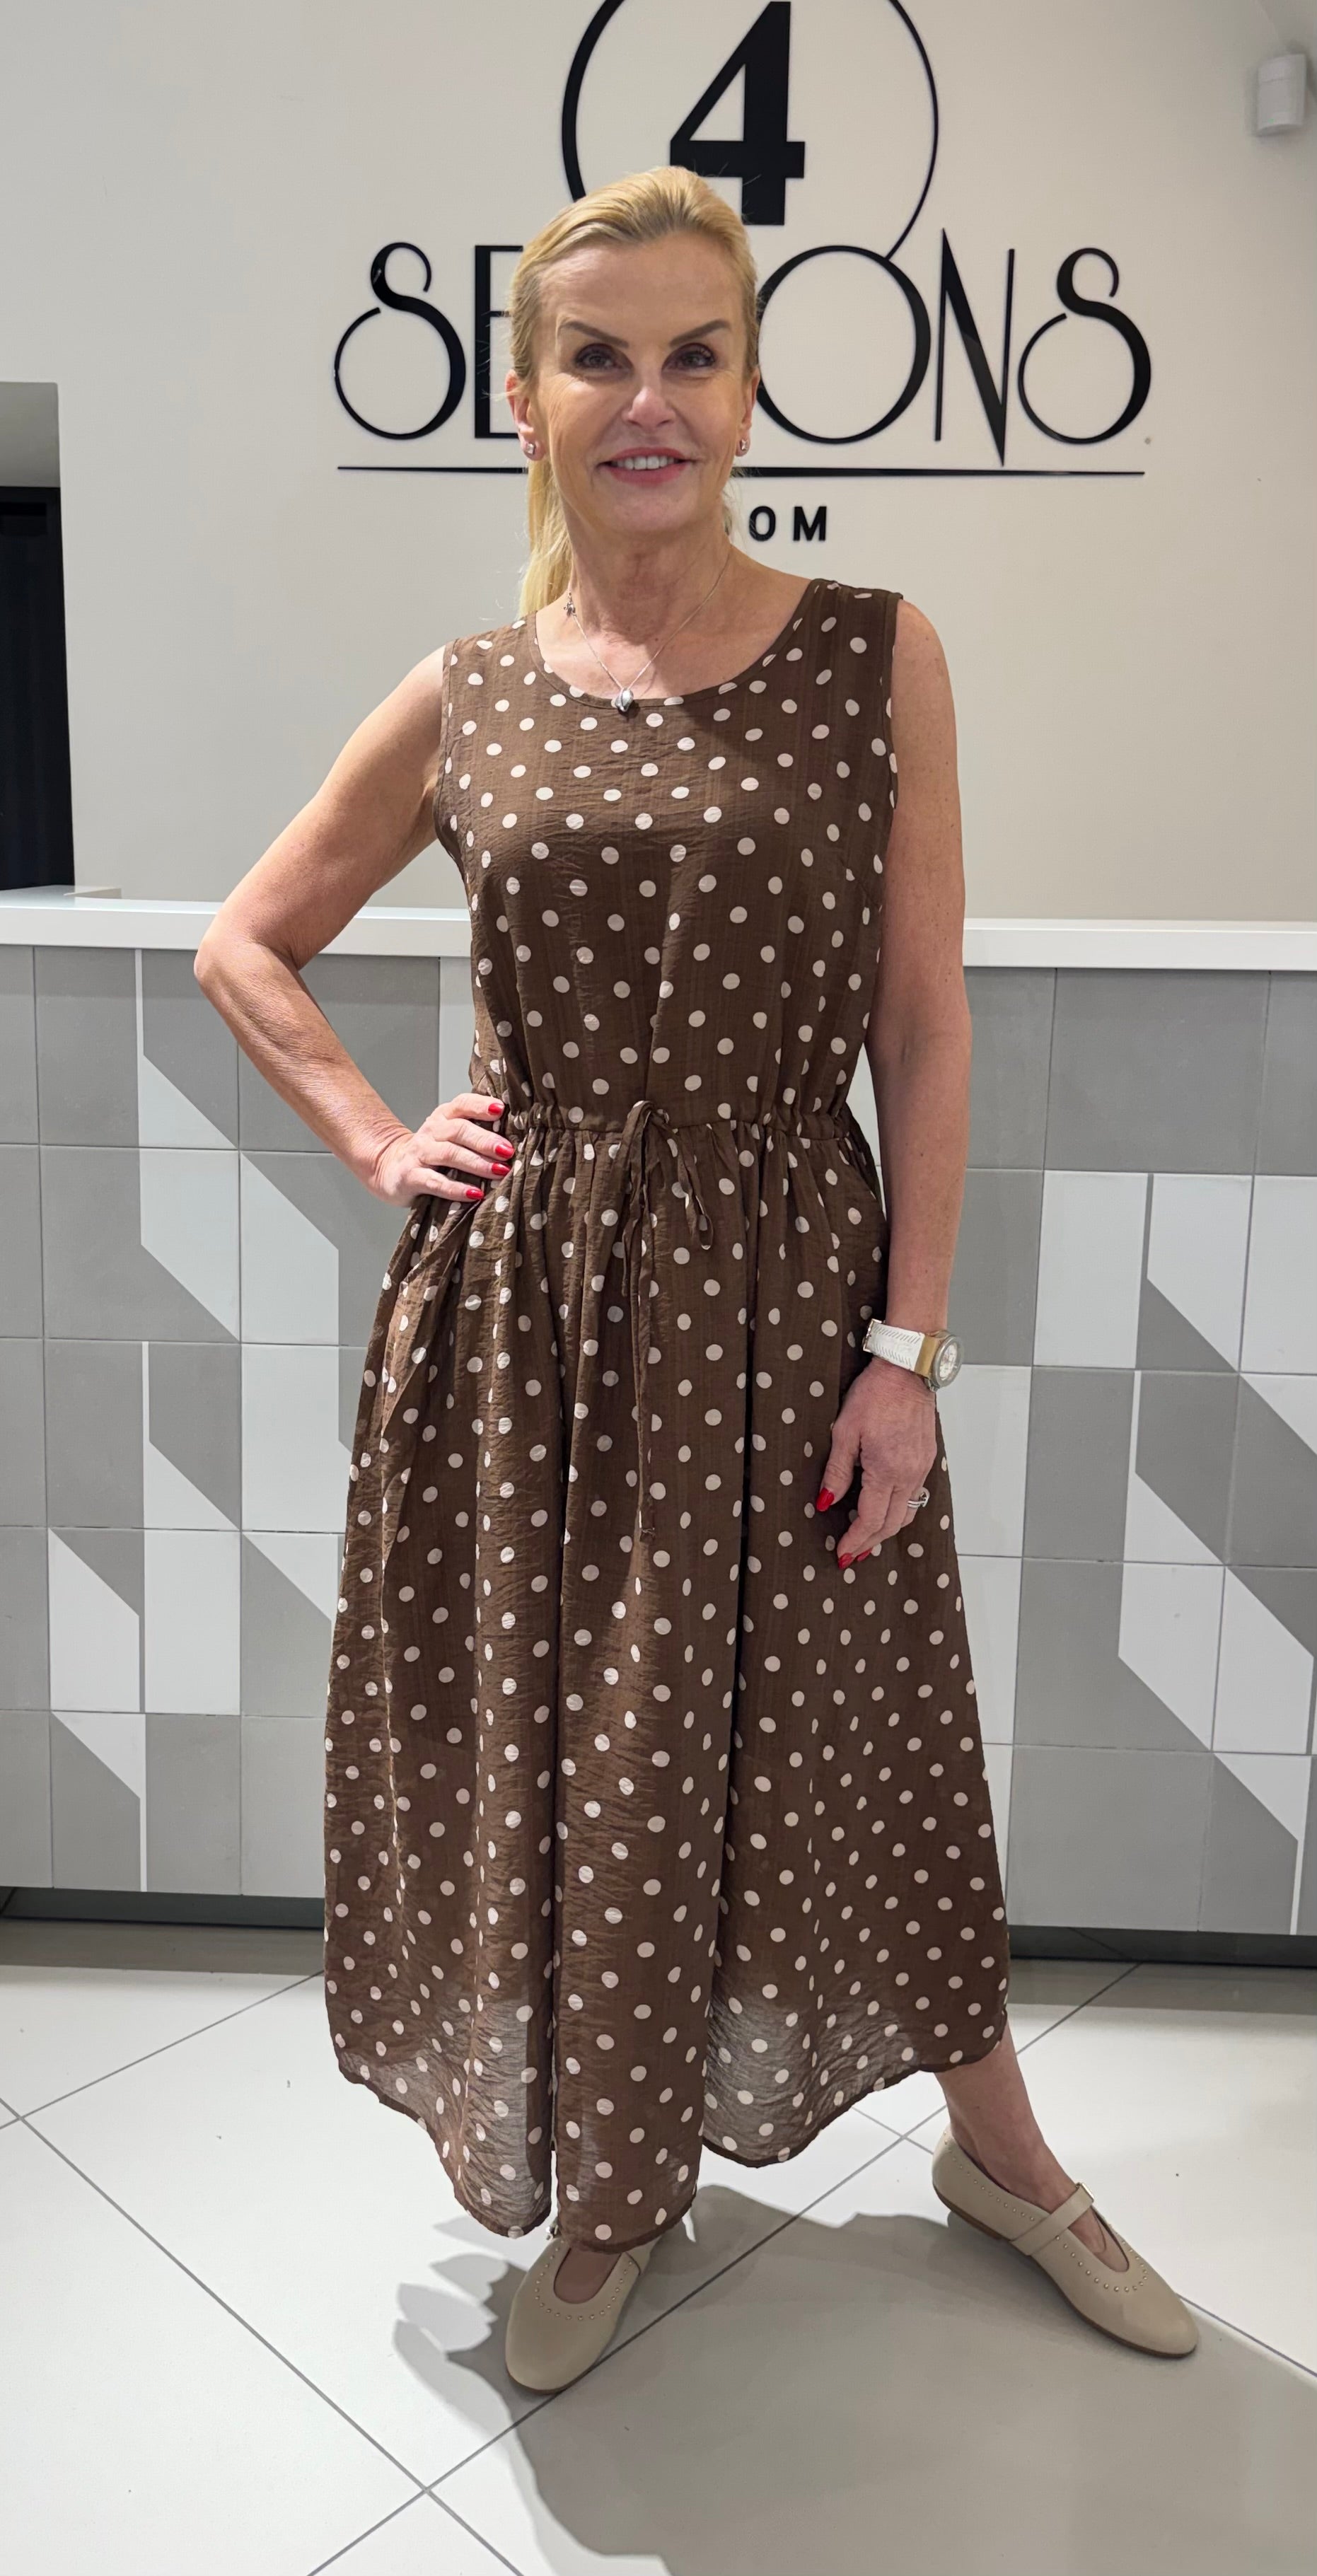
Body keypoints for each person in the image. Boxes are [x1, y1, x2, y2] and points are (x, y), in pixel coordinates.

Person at [195, 165, 1197, 2386]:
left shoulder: (876, 650)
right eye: (597, 356)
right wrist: (376, 1136)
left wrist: (906, 1348)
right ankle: (614, 2191)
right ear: (529, 400)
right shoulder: (467, 693)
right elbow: (244, 943)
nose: (646, 399)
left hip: (793, 1313)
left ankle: (1006, 2156)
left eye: (692, 353)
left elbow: (922, 1021)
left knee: (875, 1739)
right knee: (590, 1747)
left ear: (746, 390)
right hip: (529, 1334)